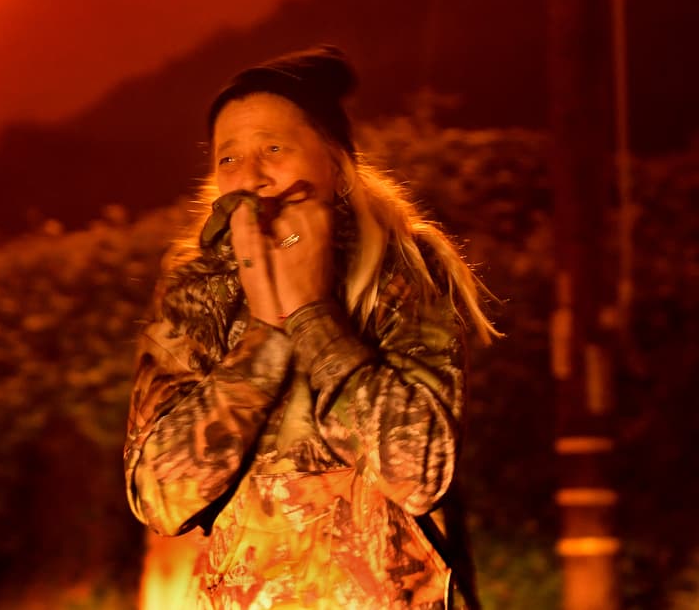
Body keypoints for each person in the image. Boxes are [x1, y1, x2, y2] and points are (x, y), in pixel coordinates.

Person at [124, 46, 497, 610]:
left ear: (336, 162)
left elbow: (419, 472)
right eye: (229, 158)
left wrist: (314, 316)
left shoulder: (402, 270)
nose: (252, 176)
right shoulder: (196, 295)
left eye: (274, 149)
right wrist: (266, 334)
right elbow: (160, 499)